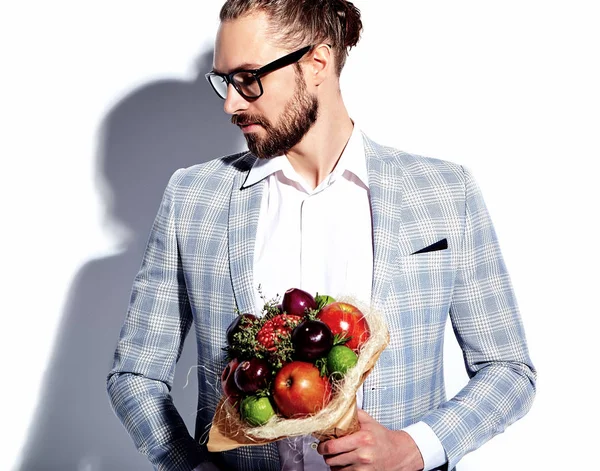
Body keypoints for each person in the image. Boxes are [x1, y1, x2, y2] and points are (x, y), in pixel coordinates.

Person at [107, 1, 536, 470]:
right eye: (225, 81)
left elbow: (508, 370)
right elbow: (136, 374)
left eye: (249, 78)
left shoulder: (443, 191)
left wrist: (415, 448)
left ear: (317, 62)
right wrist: (189, 466)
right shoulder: (193, 197)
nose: (231, 103)